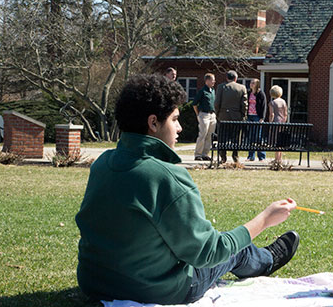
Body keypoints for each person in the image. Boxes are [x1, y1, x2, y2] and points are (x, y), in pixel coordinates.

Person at [75, 74, 300, 304]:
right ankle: (267, 260)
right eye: (174, 119)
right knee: (236, 247)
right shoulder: (167, 177)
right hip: (154, 289)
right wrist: (265, 219)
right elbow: (209, 253)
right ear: (153, 123)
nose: (180, 128)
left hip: (95, 283)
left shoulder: (102, 163)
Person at [215, 70, 248, 163]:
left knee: (222, 137)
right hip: (236, 117)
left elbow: (217, 103)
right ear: (236, 78)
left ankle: (223, 156)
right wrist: (243, 115)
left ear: (226, 78)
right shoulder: (242, 88)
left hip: (223, 116)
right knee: (236, 137)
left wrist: (218, 113)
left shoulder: (221, 87)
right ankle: (235, 155)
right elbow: (244, 104)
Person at [192, 73, 217, 161]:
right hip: (204, 115)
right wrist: (198, 114)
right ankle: (198, 154)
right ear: (207, 81)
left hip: (212, 115)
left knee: (210, 135)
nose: (214, 81)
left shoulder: (213, 91)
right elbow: (194, 104)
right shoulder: (202, 91)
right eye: (212, 80)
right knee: (203, 134)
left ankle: (205, 154)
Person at [246, 78, 267, 161]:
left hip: (257, 117)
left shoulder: (261, 94)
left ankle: (261, 156)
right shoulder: (248, 93)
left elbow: (264, 106)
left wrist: (262, 118)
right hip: (249, 116)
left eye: (253, 83)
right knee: (250, 136)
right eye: (251, 82)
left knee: (258, 136)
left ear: (257, 84)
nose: (251, 84)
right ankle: (251, 156)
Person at [268, 85, 288, 163]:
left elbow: (272, 114)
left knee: (276, 140)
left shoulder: (272, 103)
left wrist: (270, 123)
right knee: (280, 140)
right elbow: (285, 113)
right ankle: (279, 158)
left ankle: (276, 158)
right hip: (282, 122)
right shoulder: (283, 102)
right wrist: (284, 121)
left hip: (275, 122)